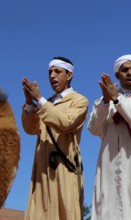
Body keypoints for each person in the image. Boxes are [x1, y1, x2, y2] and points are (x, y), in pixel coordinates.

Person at [87, 54, 131, 220]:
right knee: (107, 209)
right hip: (109, 166)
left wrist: (117, 99)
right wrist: (105, 102)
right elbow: (93, 129)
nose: (130, 73)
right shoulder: (105, 100)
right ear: (117, 75)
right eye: (125, 70)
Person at [21, 57, 88, 220]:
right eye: (50, 72)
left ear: (69, 75)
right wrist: (30, 103)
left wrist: (41, 101)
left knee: (65, 210)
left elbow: (66, 123)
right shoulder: (46, 103)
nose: (52, 76)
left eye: (57, 71)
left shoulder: (79, 101)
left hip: (64, 167)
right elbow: (30, 129)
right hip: (42, 170)